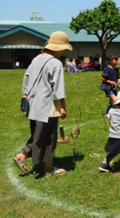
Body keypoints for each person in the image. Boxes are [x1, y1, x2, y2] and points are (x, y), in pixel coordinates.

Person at [13, 31, 72, 176]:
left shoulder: (36, 59)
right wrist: (63, 107)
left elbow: (26, 77)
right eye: (64, 48)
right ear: (58, 47)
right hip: (48, 106)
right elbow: (58, 88)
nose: (64, 50)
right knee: (49, 137)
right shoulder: (56, 63)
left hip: (33, 104)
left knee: (38, 134)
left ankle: (43, 166)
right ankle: (40, 165)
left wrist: (25, 93)